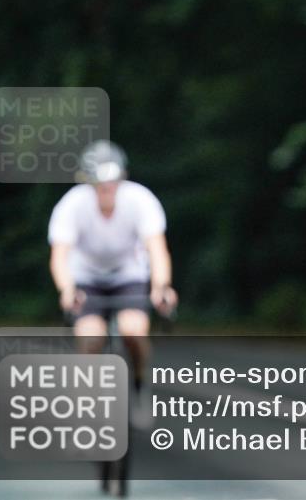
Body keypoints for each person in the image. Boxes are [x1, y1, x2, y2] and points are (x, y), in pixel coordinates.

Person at [48, 140, 177, 420]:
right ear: (89, 183)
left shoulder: (141, 200)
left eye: (112, 183)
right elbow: (60, 256)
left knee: (134, 330)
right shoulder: (71, 205)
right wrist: (67, 289)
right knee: (90, 338)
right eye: (100, 184)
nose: (107, 190)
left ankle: (140, 382)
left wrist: (161, 287)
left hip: (128, 273)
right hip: (86, 276)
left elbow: (157, 250)